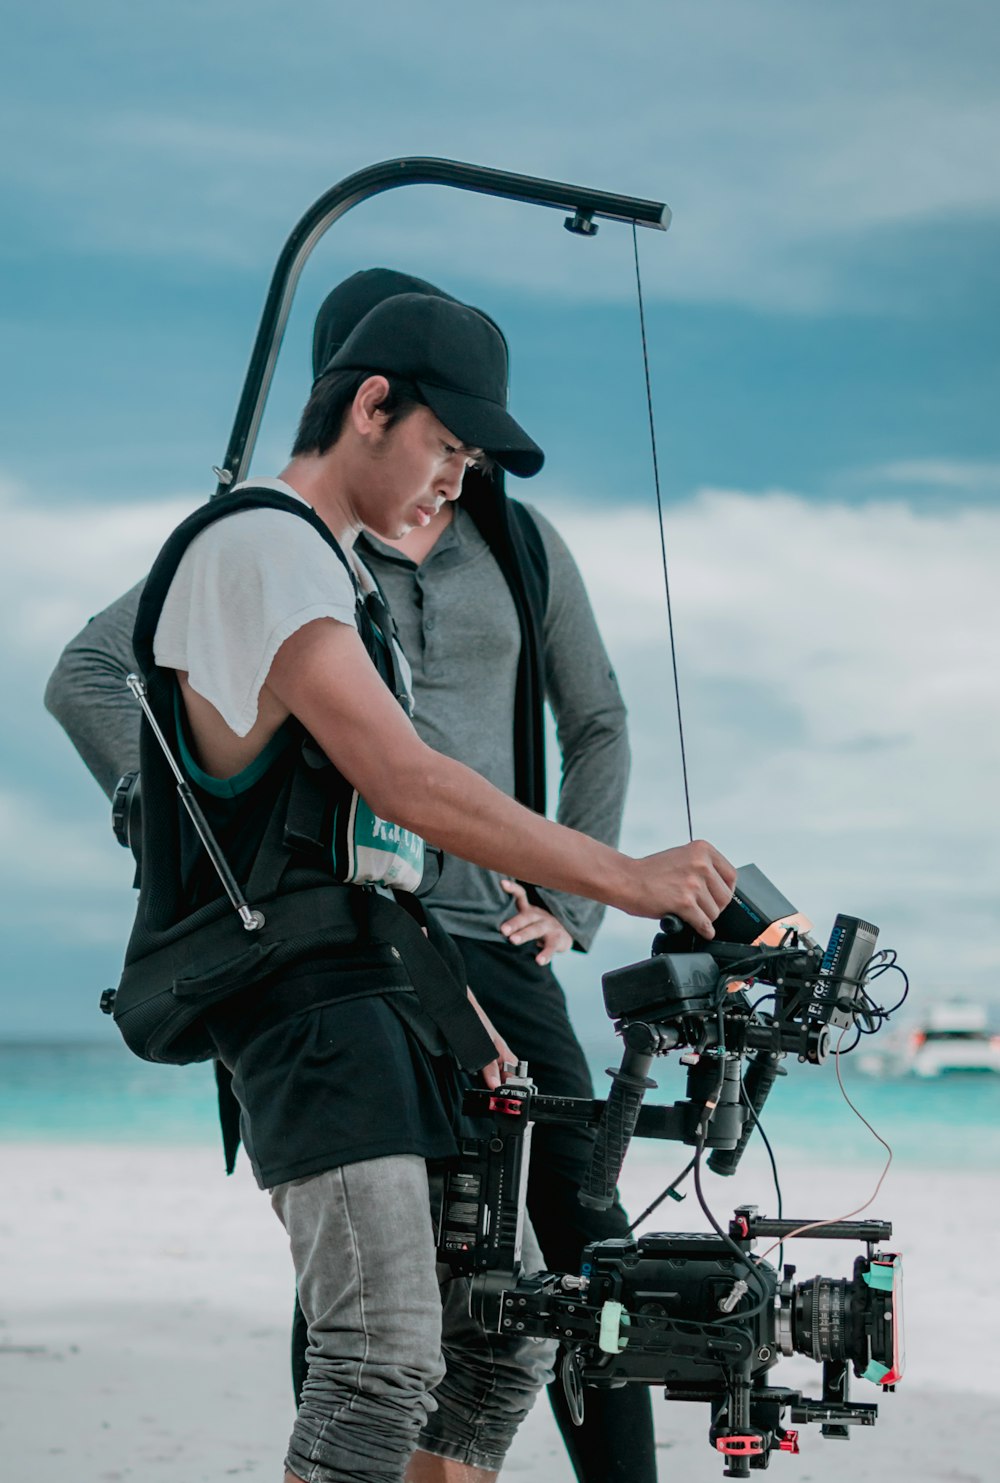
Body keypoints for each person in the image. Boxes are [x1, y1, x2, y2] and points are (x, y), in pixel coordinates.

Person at [47, 288, 736, 1482]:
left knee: (502, 1339)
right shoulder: (256, 544)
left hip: (390, 980)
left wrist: (468, 1027)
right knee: (377, 1360)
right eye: (446, 447)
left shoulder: (331, 573)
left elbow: (377, 842)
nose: (455, 481)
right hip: (309, 1008)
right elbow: (405, 779)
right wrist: (622, 875)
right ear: (373, 405)